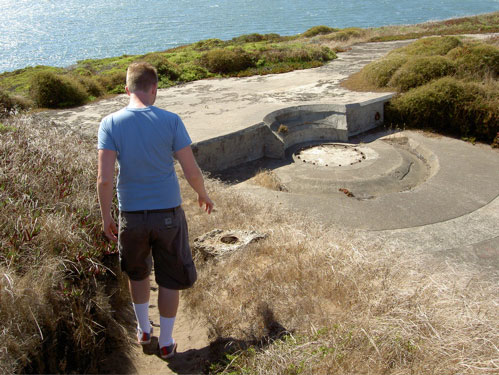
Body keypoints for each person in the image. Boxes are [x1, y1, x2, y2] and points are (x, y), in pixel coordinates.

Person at [97, 62, 213, 359]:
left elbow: (105, 178)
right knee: (169, 279)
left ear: (127, 89)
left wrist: (107, 217)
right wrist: (202, 194)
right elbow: (191, 170)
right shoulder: (171, 120)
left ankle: (143, 330)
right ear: (154, 89)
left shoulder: (110, 123)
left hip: (132, 216)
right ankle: (166, 341)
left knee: (137, 275)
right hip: (168, 215)